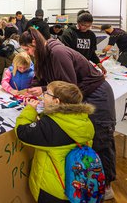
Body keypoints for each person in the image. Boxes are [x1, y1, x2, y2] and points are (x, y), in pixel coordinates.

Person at [19, 28, 116, 200]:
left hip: (96, 95)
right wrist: (34, 88)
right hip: (79, 94)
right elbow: (40, 77)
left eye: (27, 49)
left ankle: (104, 184)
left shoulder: (57, 53)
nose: (27, 53)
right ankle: (79, 178)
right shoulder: (42, 54)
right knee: (82, 139)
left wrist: (42, 90)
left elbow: (68, 87)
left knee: (101, 138)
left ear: (34, 43)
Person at [15, 81, 95, 203]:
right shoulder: (83, 120)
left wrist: (30, 110)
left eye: (47, 93)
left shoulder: (51, 127)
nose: (43, 95)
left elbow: (22, 132)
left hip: (53, 191)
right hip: (77, 183)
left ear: (56, 101)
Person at [60, 10, 107, 74]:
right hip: (72, 67)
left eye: (89, 26)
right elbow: (67, 54)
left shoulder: (91, 35)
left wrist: (98, 63)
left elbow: (91, 52)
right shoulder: (68, 33)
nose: (86, 28)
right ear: (78, 22)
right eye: (83, 25)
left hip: (84, 67)